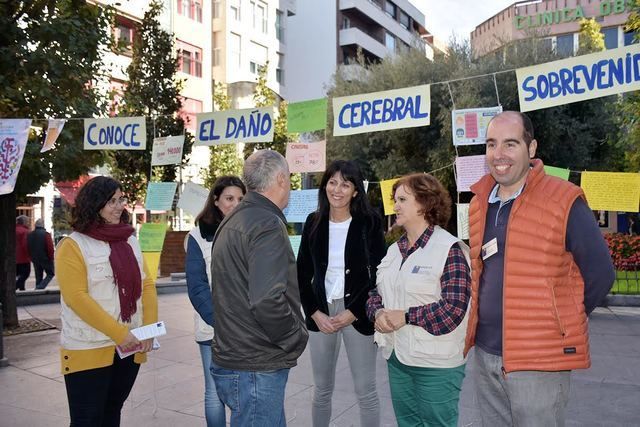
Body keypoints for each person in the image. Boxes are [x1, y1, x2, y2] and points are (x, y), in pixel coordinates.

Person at [464, 111, 615, 426]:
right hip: (486, 354)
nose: (499, 155)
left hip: (539, 359)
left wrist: (561, 321)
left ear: (531, 148)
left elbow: (601, 273)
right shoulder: (479, 203)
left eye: (510, 144)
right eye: (491, 144)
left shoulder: (564, 199)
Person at [210, 149, 308, 426]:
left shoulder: (234, 219)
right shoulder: (265, 223)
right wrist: (294, 337)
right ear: (280, 178)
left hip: (241, 358)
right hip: (255, 365)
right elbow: (267, 300)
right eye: (288, 177)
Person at [366, 173, 471, 427]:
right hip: (397, 358)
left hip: (436, 364)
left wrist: (406, 316)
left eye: (402, 199)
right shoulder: (394, 250)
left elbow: (453, 310)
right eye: (395, 199)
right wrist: (378, 313)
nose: (396, 205)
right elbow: (374, 294)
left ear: (424, 204)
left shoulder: (450, 249)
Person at [55, 176, 158, 426]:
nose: (119, 205)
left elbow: (146, 284)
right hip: (88, 347)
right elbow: (76, 297)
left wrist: (149, 330)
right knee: (87, 419)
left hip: (129, 346)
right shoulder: (72, 245)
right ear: (94, 204)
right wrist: (119, 333)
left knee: (112, 412)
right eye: (111, 200)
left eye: (121, 199)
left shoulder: (130, 240)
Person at [297, 160, 385, 427]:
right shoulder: (313, 222)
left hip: (357, 314)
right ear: (325, 187)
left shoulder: (369, 222)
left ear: (356, 191)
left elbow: (376, 274)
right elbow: (301, 273)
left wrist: (353, 312)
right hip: (321, 313)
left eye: (345, 184)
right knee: (321, 389)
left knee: (365, 390)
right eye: (332, 182)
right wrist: (314, 312)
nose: (337, 189)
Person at [185, 175, 246, 427]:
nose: (235, 203)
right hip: (214, 328)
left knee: (243, 390)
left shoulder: (248, 229)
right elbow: (197, 286)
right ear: (216, 200)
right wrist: (220, 323)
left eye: (241, 199)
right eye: (229, 198)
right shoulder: (198, 236)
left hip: (246, 329)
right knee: (214, 392)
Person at [27, 218, 56, 290]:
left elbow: (28, 246)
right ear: (43, 225)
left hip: (35, 258)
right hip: (45, 258)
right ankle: (40, 287)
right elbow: (50, 247)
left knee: (38, 276)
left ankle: (37, 291)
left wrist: (30, 256)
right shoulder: (46, 234)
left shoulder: (30, 235)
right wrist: (51, 257)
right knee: (50, 273)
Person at [15, 215, 31, 291]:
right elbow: (26, 245)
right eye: (27, 221)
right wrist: (30, 255)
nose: (28, 223)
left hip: (14, 257)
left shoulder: (13, 229)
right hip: (23, 257)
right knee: (25, 274)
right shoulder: (25, 231)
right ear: (24, 222)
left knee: (18, 274)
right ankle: (14, 287)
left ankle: (22, 289)